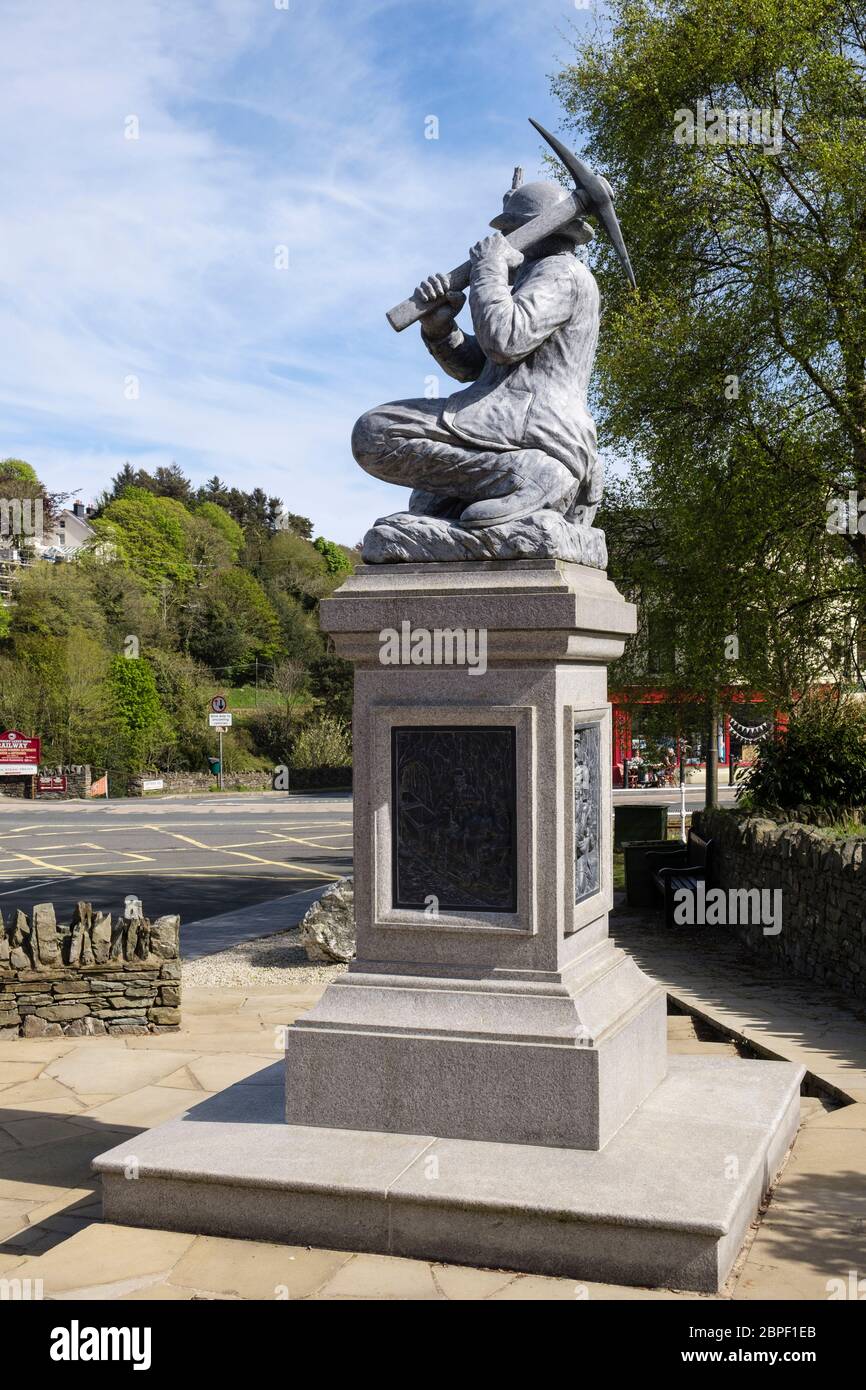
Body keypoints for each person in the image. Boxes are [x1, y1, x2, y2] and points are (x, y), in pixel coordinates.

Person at [352, 179, 603, 530]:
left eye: (510, 231)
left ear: (525, 232)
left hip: (535, 425)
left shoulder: (561, 273)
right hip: (504, 419)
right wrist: (441, 329)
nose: (504, 242)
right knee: (426, 500)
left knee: (375, 432)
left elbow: (505, 340)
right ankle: (512, 478)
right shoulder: (533, 276)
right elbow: (479, 366)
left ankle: (534, 475)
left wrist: (488, 269)